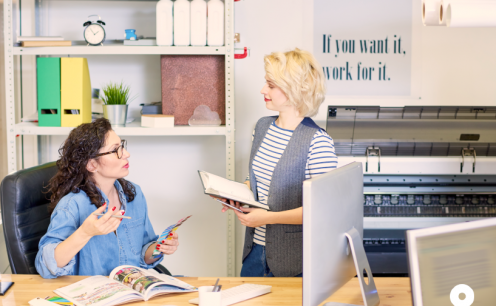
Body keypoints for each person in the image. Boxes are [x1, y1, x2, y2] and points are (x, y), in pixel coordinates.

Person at [221, 48, 337, 277]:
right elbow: (255, 181)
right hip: (254, 252)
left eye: (271, 85)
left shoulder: (318, 142)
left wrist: (267, 218)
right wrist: (236, 194)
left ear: (295, 90)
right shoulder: (262, 127)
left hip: (292, 261)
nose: (263, 90)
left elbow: (323, 210)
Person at [35, 118, 179, 278]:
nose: (126, 154)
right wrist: (85, 232)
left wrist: (160, 248)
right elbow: (45, 266)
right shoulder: (71, 205)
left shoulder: (134, 194)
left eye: (122, 146)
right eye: (115, 150)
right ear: (91, 165)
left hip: (131, 292)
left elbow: (143, 254)